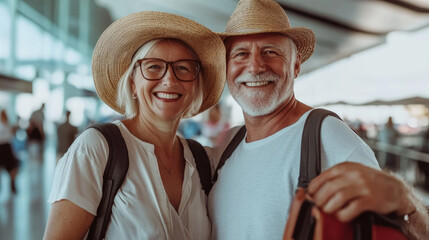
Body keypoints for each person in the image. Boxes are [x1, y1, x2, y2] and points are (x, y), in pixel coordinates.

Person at [207, 0, 429, 239]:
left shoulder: (327, 135)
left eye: (270, 51)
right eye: (240, 54)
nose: (255, 66)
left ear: (296, 66)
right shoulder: (228, 145)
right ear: (226, 68)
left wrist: (405, 202)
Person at [43, 11, 225, 239]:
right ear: (131, 83)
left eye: (183, 68)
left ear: (195, 86)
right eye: (153, 67)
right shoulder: (98, 148)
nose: (169, 79)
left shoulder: (200, 160)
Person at [0, 109, 19, 193]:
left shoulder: (8, 125)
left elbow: (11, 139)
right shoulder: (4, 125)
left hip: (7, 147)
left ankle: (12, 184)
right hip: (2, 147)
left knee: (12, 168)